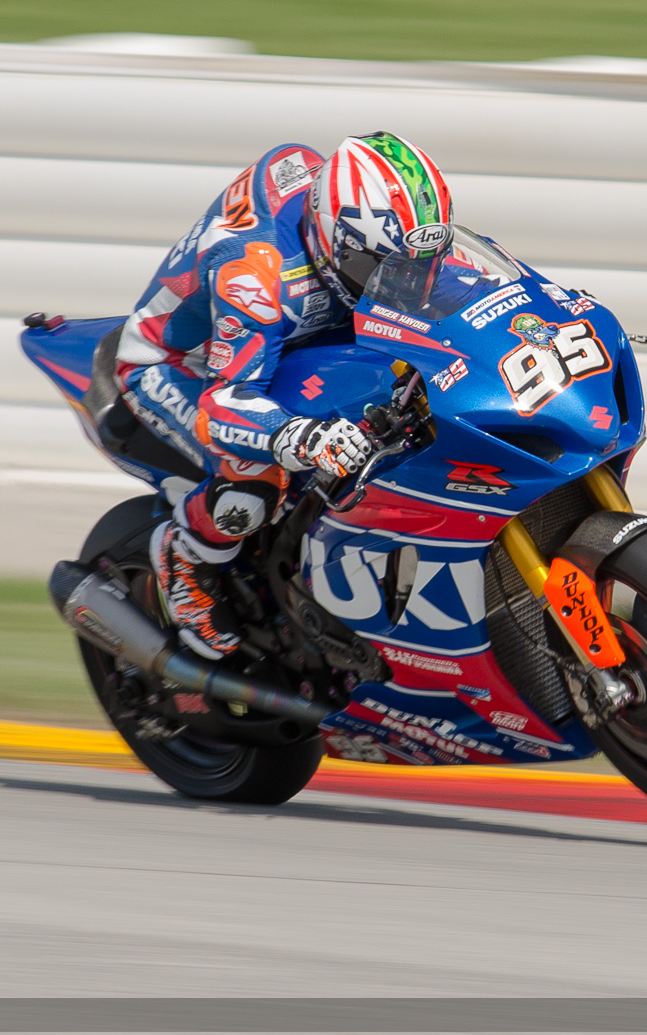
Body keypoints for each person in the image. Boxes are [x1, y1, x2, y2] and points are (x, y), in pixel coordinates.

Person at [114, 132, 454, 660]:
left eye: (414, 265)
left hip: (291, 337)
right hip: (185, 364)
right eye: (381, 269)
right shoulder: (257, 279)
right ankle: (186, 555)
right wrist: (300, 435)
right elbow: (221, 407)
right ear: (331, 239)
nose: (403, 283)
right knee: (256, 480)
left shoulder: (352, 225)